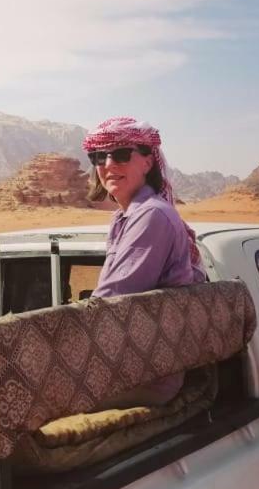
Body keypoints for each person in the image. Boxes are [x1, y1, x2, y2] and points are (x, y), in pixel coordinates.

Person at [83, 116, 207, 407]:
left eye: (122, 154)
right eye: (99, 156)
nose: (109, 164)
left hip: (144, 373)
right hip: (127, 362)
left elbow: (114, 301)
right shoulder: (124, 217)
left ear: (148, 162)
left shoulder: (151, 215)